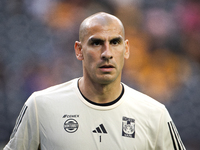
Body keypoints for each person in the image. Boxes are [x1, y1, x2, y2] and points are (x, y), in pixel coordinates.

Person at [4, 12, 186, 150]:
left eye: (115, 42)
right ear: (79, 50)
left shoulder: (155, 114)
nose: (107, 53)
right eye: (96, 43)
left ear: (127, 49)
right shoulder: (40, 106)